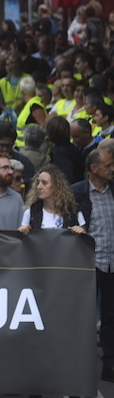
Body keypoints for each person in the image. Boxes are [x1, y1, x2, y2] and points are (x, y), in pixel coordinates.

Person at [18, 164, 87, 398]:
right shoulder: (32, 211)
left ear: (56, 186)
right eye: (38, 182)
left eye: (44, 183)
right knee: (37, 337)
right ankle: (35, 389)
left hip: (67, 285)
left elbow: (85, 244)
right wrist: (23, 232)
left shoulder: (72, 212)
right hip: (38, 283)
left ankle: (73, 389)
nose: (39, 187)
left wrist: (81, 232)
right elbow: (22, 243)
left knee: (68, 338)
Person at [72, 149, 114, 384]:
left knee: (111, 316)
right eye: (108, 165)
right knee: (84, 316)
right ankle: (80, 364)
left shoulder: (113, 190)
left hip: (112, 261)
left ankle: (109, 364)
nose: (113, 168)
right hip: (89, 263)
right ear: (94, 168)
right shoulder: (79, 192)